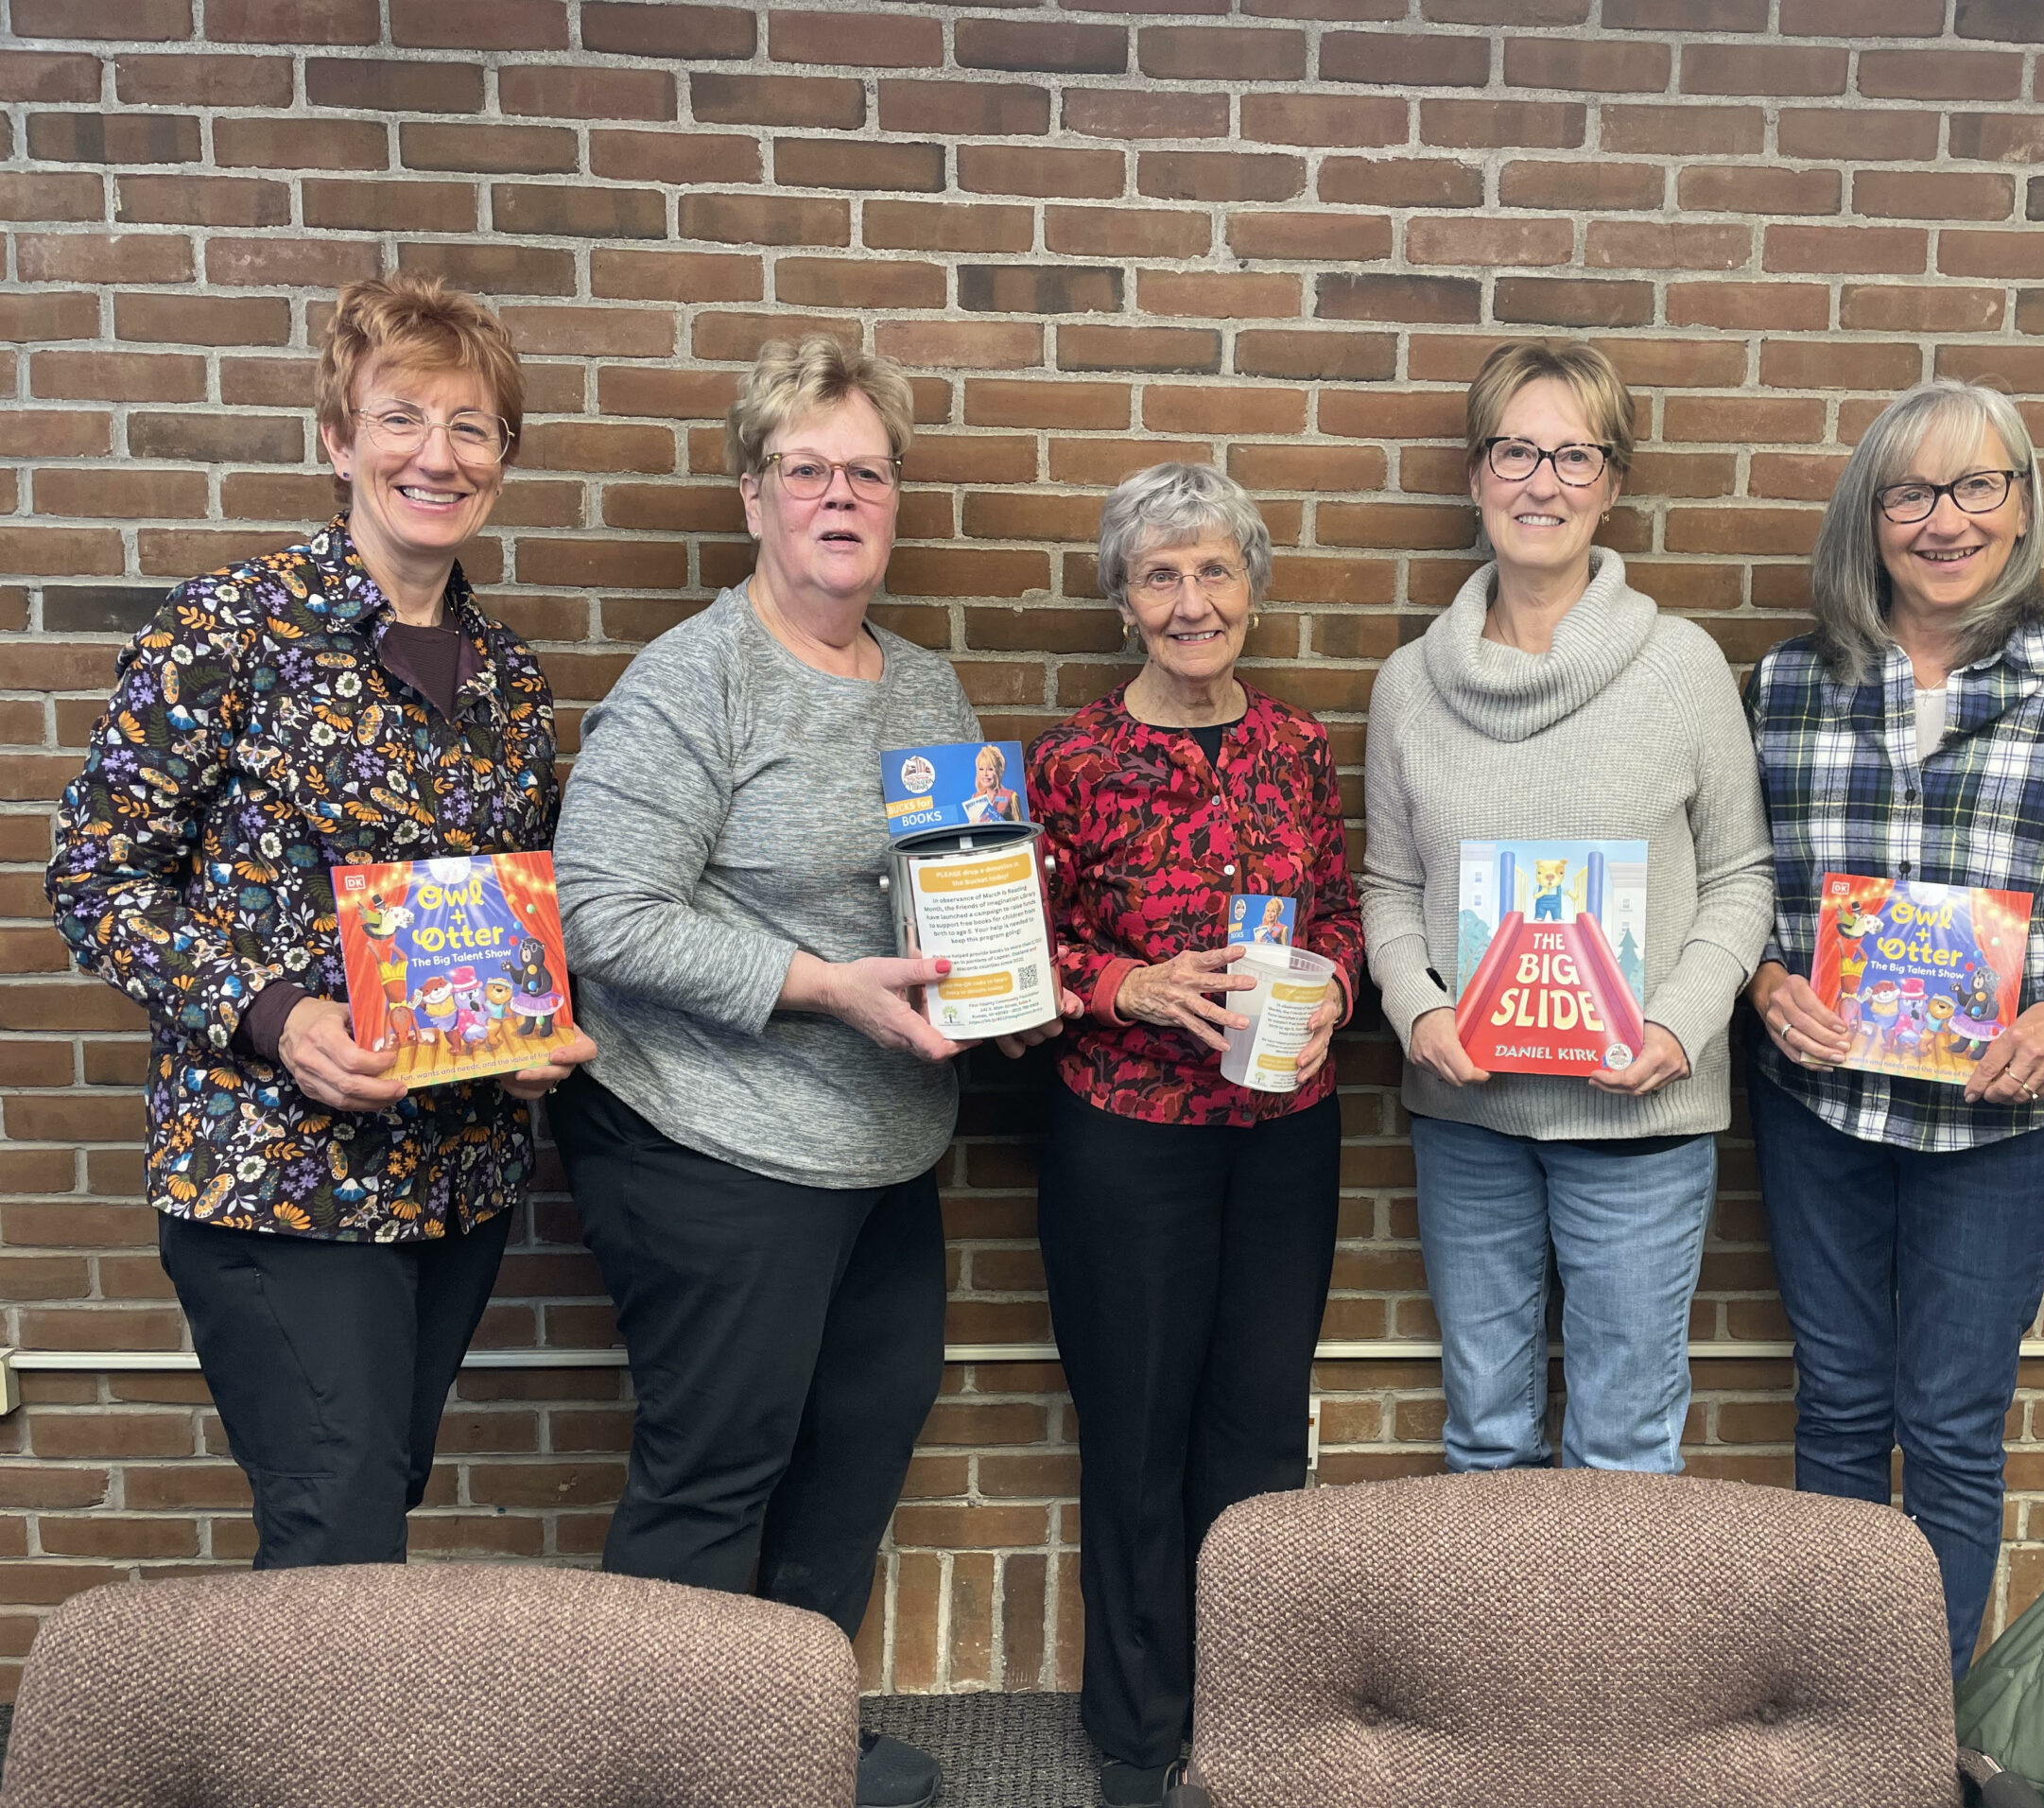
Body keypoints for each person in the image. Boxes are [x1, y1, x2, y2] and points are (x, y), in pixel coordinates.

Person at [548, 337, 1064, 1808]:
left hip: (885, 1151)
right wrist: (822, 988)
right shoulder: (693, 680)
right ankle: (655, 1779)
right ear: (756, 498)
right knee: (717, 1478)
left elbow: (952, 897)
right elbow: (603, 914)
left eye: (867, 472)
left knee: (854, 1460)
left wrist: (1009, 993)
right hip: (710, 1149)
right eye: (808, 470)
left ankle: (777, 1754)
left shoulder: (926, 685)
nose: (841, 496)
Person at [45, 273, 592, 1568]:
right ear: (339, 439)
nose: (437, 455)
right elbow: (97, 875)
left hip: (453, 1181)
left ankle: (298, 1745)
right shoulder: (228, 629)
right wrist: (278, 1017)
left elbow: (514, 909)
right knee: (335, 1527)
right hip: (272, 1176)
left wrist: (534, 1035)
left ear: (502, 459)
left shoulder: (512, 681)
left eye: (473, 428)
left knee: (364, 1503)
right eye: (402, 417)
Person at [1741, 377, 2044, 1678]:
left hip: (2006, 1118)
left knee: (1949, 1427)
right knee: (1837, 1412)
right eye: (1914, 492)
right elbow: (1734, 889)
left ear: (2021, 501)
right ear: (1869, 517)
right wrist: (1764, 985)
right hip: (1822, 1108)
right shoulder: (1781, 686)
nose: (1947, 519)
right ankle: (1831, 1711)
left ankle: (1916, 1722)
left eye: (1978, 485)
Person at [1360, 340, 1775, 1480]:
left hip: (1638, 1119)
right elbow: (1389, 889)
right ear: (1475, 474)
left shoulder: (1683, 669)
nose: (1542, 483)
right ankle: (1490, 1667)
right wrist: (1414, 1011)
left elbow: (1741, 878)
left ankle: (1613, 1665)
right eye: (1515, 451)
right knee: (1483, 1432)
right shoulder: (1407, 685)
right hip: (1468, 1118)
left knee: (1626, 1439)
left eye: (1574, 456)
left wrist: (1675, 1027)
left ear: (1614, 481)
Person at [1030, 461, 1363, 1807]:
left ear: (1252, 588)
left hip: (1286, 1132)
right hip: (1129, 1136)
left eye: (1214, 570)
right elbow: (1010, 959)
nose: (1190, 600)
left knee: (1259, 1433)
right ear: (1122, 597)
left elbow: (1339, 908)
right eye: (1160, 574)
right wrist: (1129, 985)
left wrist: (1335, 983)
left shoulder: (1296, 746)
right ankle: (1135, 1733)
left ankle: (1250, 1719)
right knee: (1137, 1435)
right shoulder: (1070, 762)